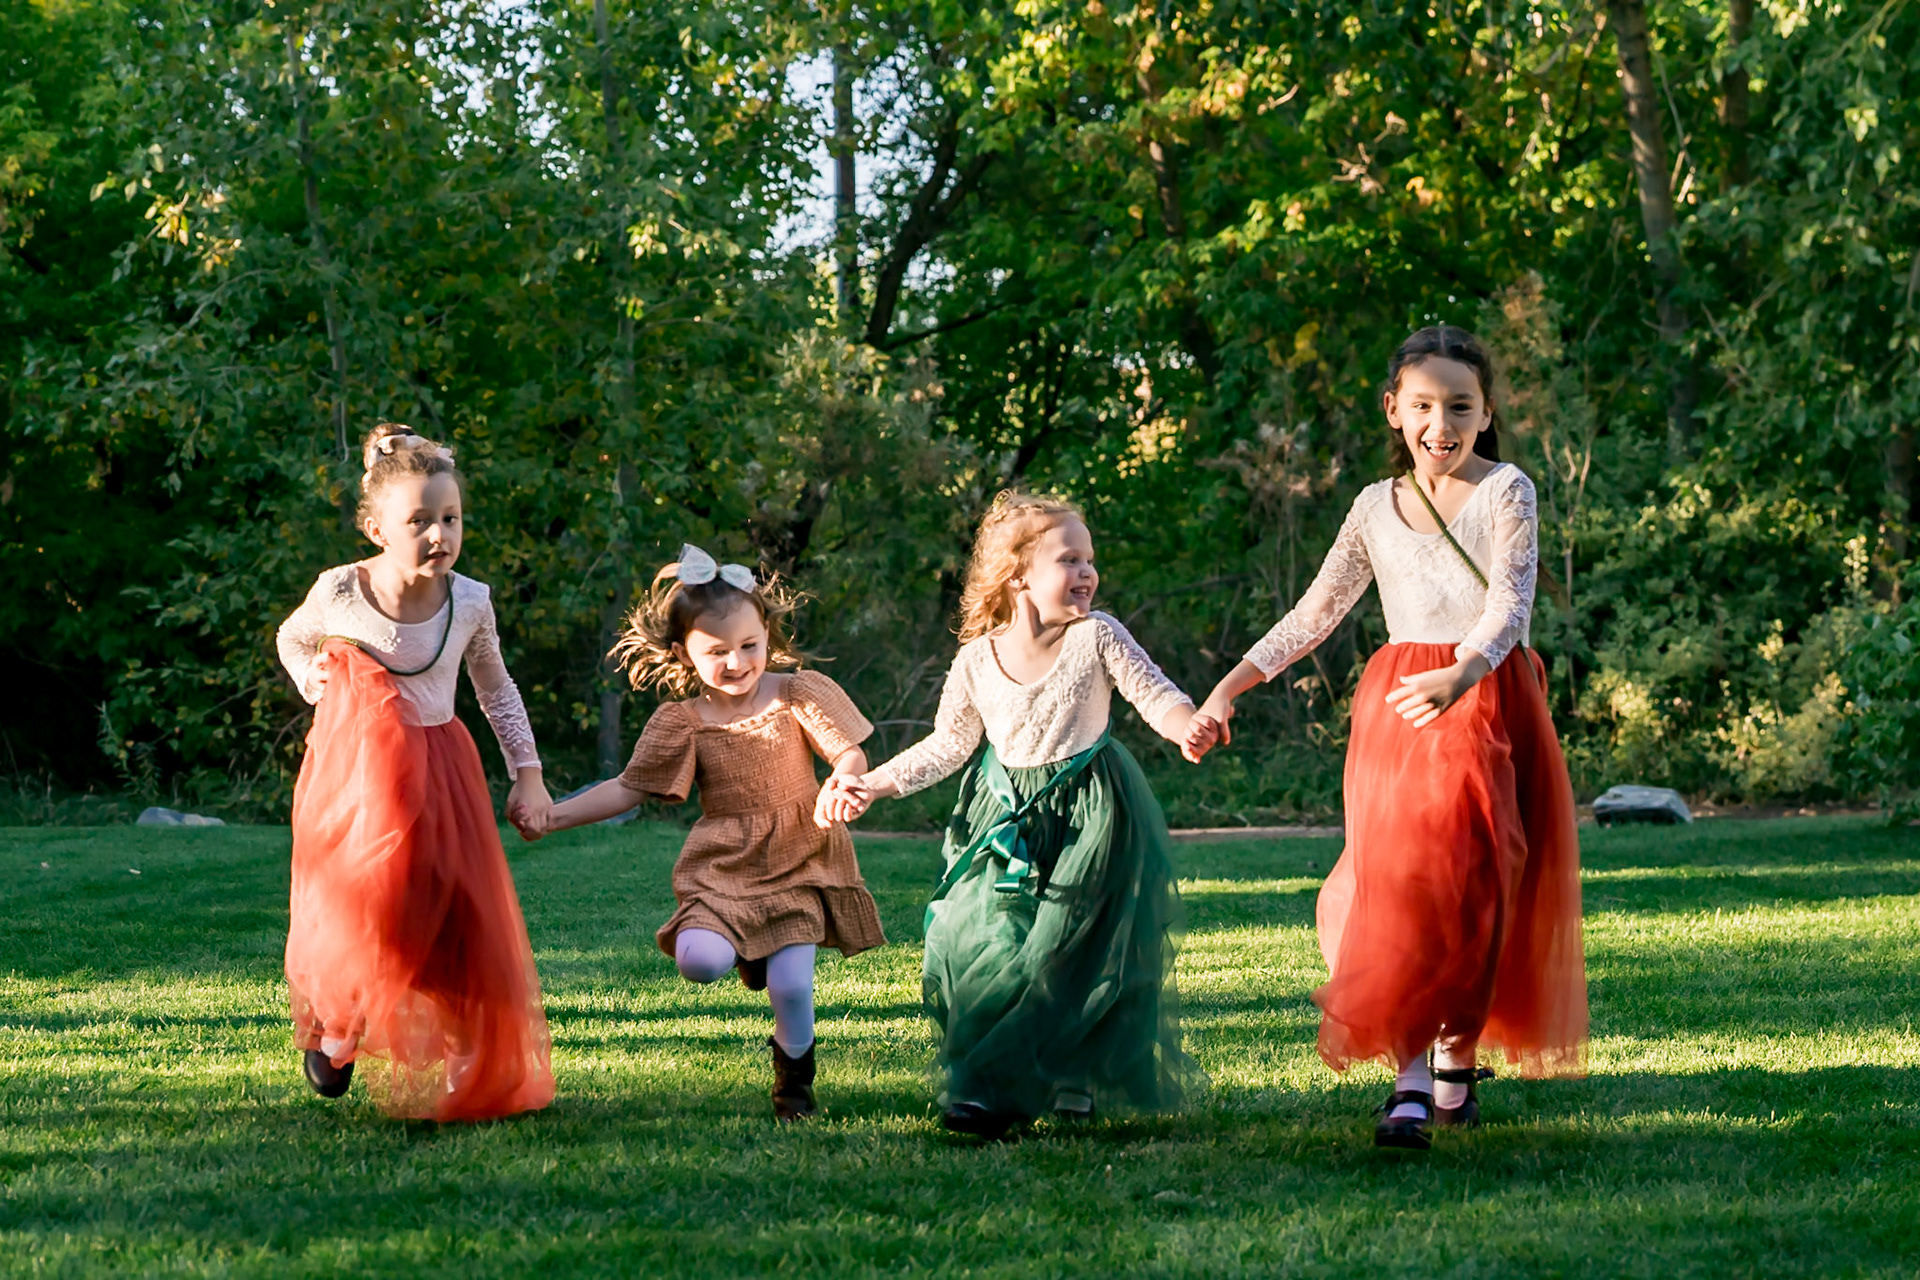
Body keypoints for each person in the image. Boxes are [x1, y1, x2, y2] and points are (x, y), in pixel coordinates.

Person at [1190, 325, 1587, 1149]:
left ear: (1486, 413)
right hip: (1400, 710)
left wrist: (1464, 673)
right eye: (1423, 406)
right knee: (1400, 881)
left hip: (1486, 698)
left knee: (1479, 884)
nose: (1441, 424)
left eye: (1460, 406)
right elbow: (1317, 611)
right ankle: (1408, 1075)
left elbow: (1510, 607)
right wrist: (1232, 685)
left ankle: (1455, 1059)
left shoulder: (1508, 489)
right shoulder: (1375, 505)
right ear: (1393, 411)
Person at [834, 491, 1214, 1137]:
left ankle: (1034, 1086)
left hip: (1089, 816)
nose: (1088, 573)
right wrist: (875, 784)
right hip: (1002, 817)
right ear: (1018, 574)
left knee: (1061, 951)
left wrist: (1187, 726)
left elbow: (1155, 691)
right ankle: (989, 1083)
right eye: (1070, 560)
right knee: (975, 938)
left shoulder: (1097, 637)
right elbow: (948, 744)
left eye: (1091, 560)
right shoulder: (977, 659)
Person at [523, 547, 883, 1121]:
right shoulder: (682, 722)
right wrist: (554, 815)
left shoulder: (797, 694)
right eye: (717, 652)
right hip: (726, 866)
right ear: (682, 653)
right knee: (700, 961)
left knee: (791, 987)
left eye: (749, 646)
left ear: (766, 635)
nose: (738, 662)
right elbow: (627, 788)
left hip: (800, 856)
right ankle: (748, 951)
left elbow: (850, 752)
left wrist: (843, 780)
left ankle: (794, 1083)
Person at [275, 423, 555, 1121]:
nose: (440, 535)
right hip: (360, 775)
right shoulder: (340, 590)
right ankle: (340, 1031)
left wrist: (528, 772)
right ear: (376, 529)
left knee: (462, 907)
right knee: (380, 903)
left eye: (451, 519)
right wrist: (313, 676)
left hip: (444, 768)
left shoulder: (470, 602)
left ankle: (467, 1055)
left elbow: (495, 689)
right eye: (420, 522)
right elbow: (293, 634)